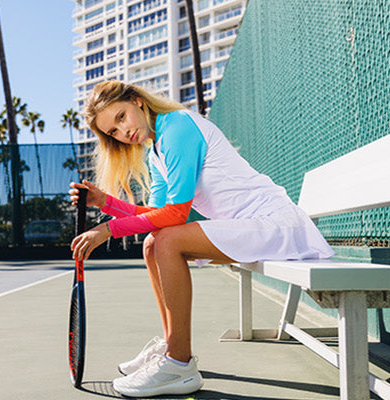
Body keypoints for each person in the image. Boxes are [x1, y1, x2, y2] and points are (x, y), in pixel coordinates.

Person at [68, 81, 334, 398]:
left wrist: (108, 229)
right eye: (113, 132)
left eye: (121, 117)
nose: (123, 132)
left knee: (167, 241)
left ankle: (178, 364)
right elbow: (156, 213)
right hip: (246, 228)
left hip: (277, 225)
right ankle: (171, 344)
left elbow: (177, 214)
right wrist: (106, 203)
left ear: (138, 102)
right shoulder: (157, 154)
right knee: (154, 243)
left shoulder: (177, 127)